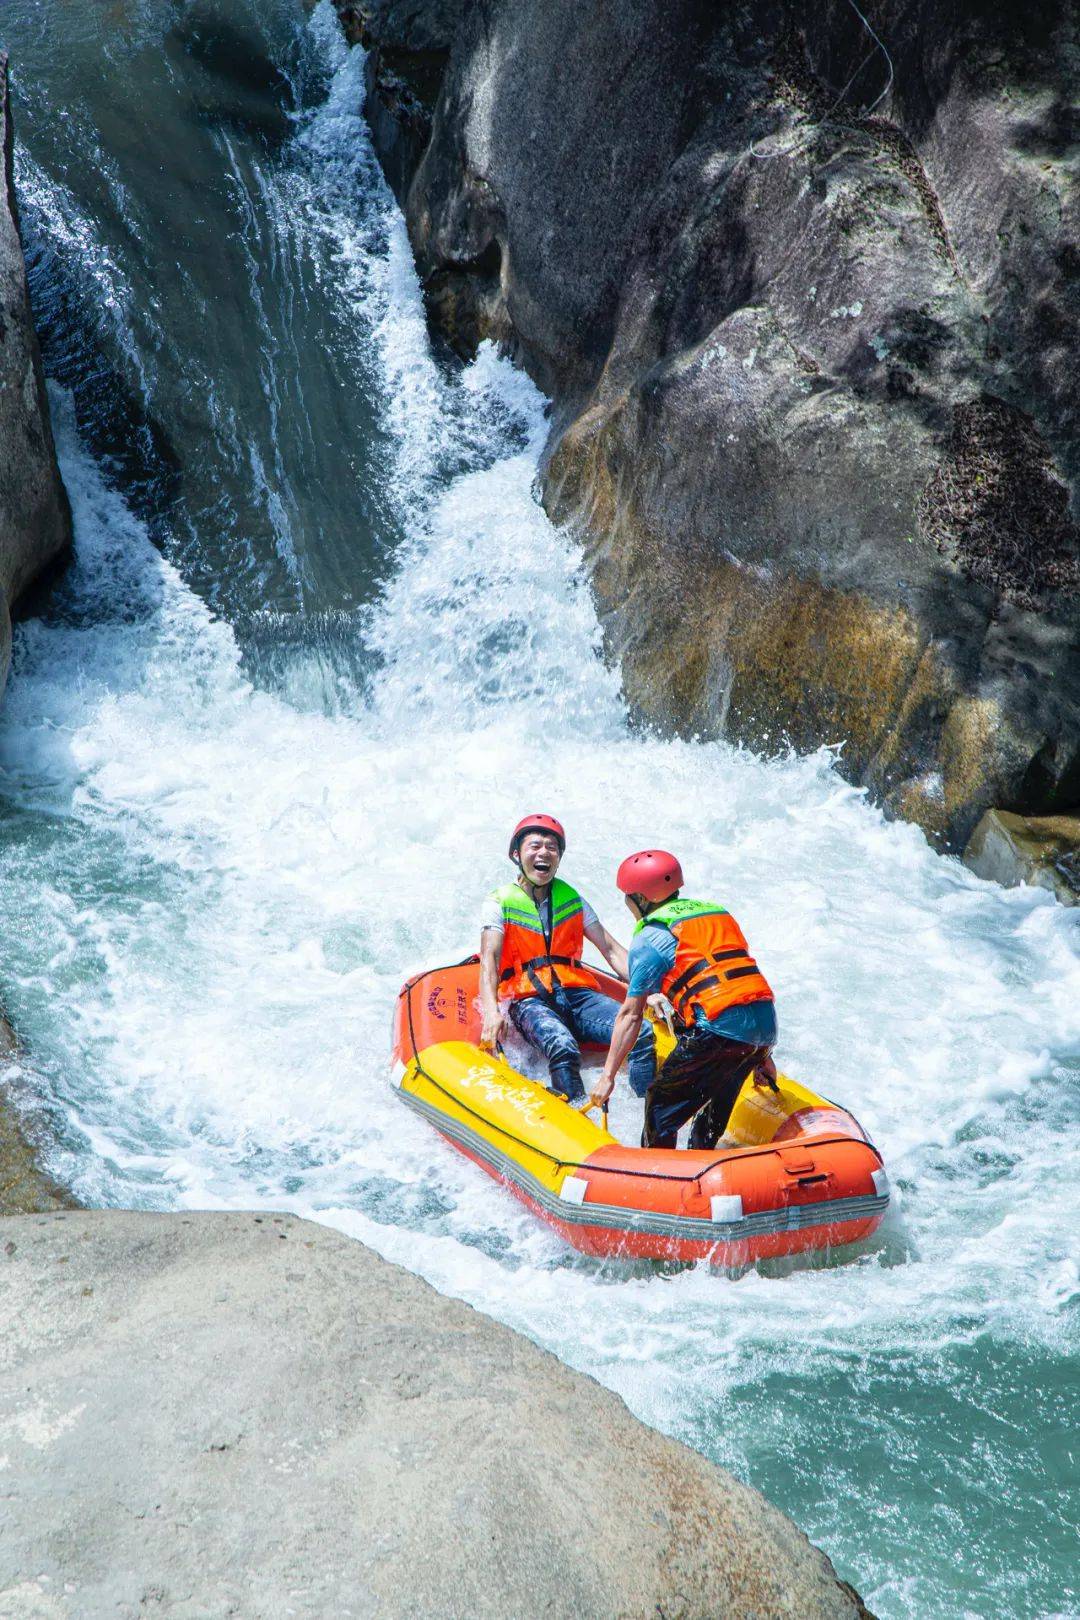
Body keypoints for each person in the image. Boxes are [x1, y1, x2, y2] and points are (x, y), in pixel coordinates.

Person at [590, 850, 778, 1149]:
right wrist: (762, 1053)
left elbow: (631, 1014)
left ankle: (661, 1174)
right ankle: (703, 1160)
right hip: (765, 1026)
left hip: (716, 1032)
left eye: (627, 896)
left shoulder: (651, 937)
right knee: (715, 1104)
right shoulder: (717, 914)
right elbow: (737, 982)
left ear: (642, 897)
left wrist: (608, 1076)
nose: (626, 903)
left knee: (660, 1105)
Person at [479, 815, 656, 1103]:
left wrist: (648, 991)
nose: (544, 853)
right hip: (528, 1000)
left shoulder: (572, 898)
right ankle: (575, 1120)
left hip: (576, 994)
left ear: (559, 859)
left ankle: (648, 1114)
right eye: (535, 846)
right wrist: (490, 1011)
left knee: (641, 1031)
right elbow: (490, 959)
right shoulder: (498, 901)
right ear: (516, 855)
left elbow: (610, 949)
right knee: (563, 1046)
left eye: (552, 848)